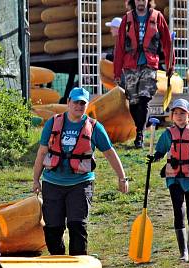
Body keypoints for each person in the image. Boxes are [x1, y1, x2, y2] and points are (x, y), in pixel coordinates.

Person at [32, 87, 129, 256]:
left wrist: (122, 177)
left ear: (87, 105)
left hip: (80, 184)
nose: (78, 106)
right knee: (53, 229)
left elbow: (109, 153)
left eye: (82, 103)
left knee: (77, 226)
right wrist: (35, 179)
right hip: (52, 183)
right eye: (75, 102)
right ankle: (58, 262)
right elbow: (42, 152)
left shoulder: (94, 127)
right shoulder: (53, 123)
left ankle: (78, 265)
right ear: (68, 102)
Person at [146, 99, 189, 262]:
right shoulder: (168, 134)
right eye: (176, 113)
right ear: (172, 116)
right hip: (174, 177)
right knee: (178, 211)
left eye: (183, 113)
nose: (179, 116)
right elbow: (160, 152)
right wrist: (153, 158)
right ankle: (183, 252)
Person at [114, 0, 174, 148]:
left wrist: (170, 64)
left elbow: (166, 42)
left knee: (144, 99)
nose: (141, 2)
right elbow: (120, 46)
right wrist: (116, 71)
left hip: (150, 63)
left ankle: (140, 133)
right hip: (130, 65)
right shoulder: (126, 20)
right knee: (134, 102)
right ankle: (138, 128)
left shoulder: (158, 17)